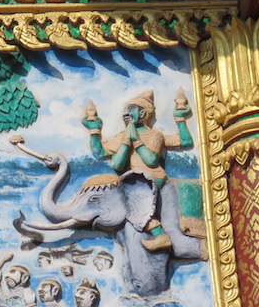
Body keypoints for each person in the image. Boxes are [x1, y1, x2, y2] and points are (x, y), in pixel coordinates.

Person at [82, 89, 192, 252]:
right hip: (132, 179)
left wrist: (136, 140)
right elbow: (105, 155)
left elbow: (152, 160)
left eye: (131, 110)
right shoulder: (123, 135)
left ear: (143, 113)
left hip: (151, 177)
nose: (126, 114)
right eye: (125, 110)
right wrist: (94, 130)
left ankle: (160, 235)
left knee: (133, 201)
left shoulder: (154, 135)